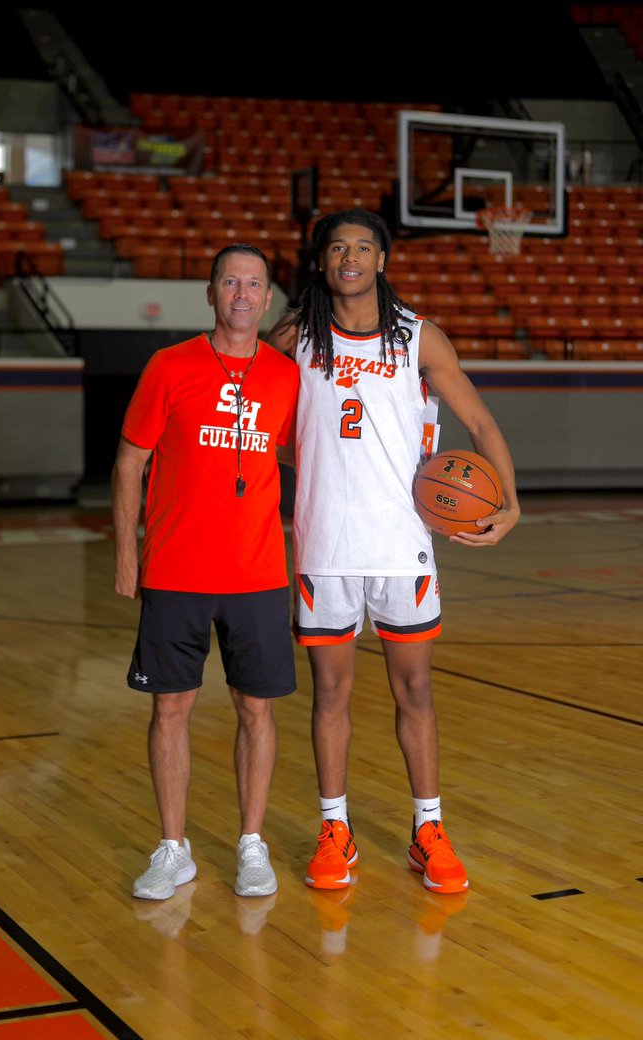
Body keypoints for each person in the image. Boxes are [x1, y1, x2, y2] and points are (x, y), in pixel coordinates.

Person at [268, 207, 521, 896]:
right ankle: (334, 829)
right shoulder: (293, 337)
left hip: (402, 548)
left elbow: (479, 420)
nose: (348, 256)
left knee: (415, 689)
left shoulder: (418, 338)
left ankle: (429, 829)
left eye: (362, 246)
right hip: (323, 547)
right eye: (336, 247)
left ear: (382, 259)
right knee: (331, 694)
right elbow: (254, 415)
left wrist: (513, 503)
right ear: (321, 262)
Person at [112, 243, 300, 902]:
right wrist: (126, 556)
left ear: (268, 298)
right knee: (171, 707)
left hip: (257, 575)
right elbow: (130, 462)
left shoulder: (285, 377)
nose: (242, 295)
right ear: (212, 292)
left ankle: (252, 844)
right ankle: (174, 848)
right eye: (230, 282)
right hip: (176, 571)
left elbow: (315, 469)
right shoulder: (169, 366)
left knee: (257, 709)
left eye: (254, 284)